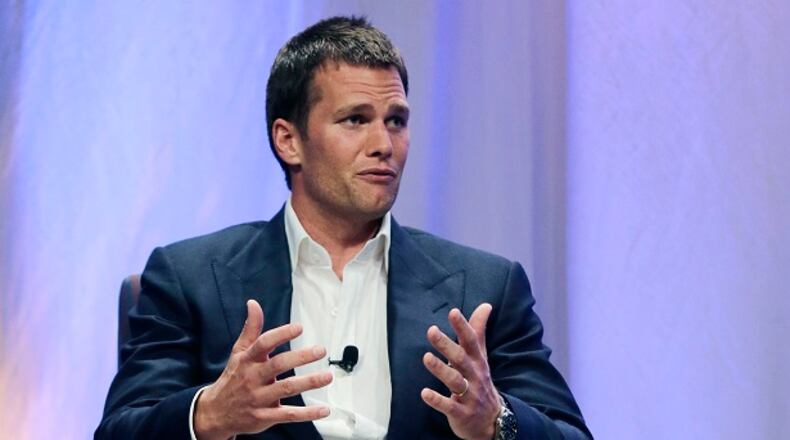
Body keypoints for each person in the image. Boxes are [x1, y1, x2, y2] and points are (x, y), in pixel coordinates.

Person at [96, 16, 592, 440]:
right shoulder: (190, 277)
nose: (384, 144)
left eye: (396, 120)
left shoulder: (485, 287)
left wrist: (496, 420)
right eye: (355, 120)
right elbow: (120, 430)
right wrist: (208, 414)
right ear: (289, 140)